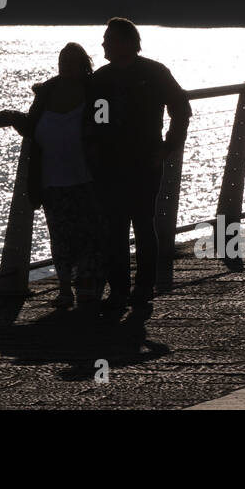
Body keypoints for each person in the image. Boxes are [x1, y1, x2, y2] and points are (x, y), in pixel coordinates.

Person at [87, 17, 192, 310]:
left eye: (109, 38)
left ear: (126, 42)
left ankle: (142, 286)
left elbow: (181, 108)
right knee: (118, 226)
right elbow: (97, 120)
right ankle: (122, 287)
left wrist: (168, 147)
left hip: (144, 161)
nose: (104, 43)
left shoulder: (154, 72)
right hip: (112, 163)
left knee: (140, 223)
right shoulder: (102, 78)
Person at [0, 43, 105, 308]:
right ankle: (65, 289)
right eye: (62, 61)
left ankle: (88, 287)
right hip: (52, 179)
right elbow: (33, 127)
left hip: (89, 177)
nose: (65, 66)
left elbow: (106, 125)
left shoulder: (96, 93)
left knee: (90, 235)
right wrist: (14, 117)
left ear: (83, 64)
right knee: (60, 236)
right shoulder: (46, 92)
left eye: (71, 61)